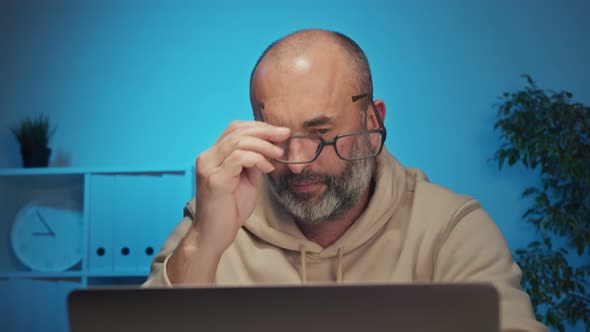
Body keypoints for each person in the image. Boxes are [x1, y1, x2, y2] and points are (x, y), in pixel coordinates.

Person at [143, 29, 547, 331]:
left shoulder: (450, 228)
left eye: (320, 132)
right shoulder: (217, 217)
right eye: (278, 136)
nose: (297, 164)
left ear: (373, 123)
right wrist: (204, 241)